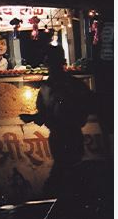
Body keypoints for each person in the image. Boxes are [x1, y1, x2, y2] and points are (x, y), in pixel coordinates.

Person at [20, 46, 92, 197]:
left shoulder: (53, 86)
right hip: (65, 134)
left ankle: (55, 197)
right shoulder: (63, 85)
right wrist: (33, 118)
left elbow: (46, 114)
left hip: (66, 134)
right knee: (68, 167)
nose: (50, 68)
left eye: (51, 63)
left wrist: (34, 118)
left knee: (65, 169)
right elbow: (46, 113)